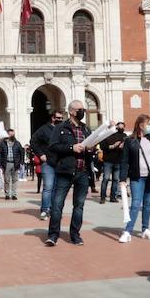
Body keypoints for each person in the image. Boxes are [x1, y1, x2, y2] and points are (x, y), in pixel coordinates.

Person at [46, 99, 94, 246]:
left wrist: (90, 149)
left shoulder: (86, 129)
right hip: (65, 171)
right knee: (57, 204)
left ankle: (75, 235)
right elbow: (52, 146)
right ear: (72, 111)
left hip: (82, 171)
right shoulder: (61, 128)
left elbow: (90, 148)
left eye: (83, 109)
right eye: (80, 109)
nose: (83, 111)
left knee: (79, 206)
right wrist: (71, 148)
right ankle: (53, 235)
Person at [119, 114, 150, 243]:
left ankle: (145, 229)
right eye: (148, 123)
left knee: (148, 204)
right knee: (135, 204)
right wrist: (122, 179)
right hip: (137, 177)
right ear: (140, 125)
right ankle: (128, 231)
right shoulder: (130, 140)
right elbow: (124, 161)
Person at [32, 111, 63, 220]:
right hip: (47, 163)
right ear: (52, 118)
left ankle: (54, 210)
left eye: (62, 118)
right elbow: (33, 141)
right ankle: (45, 210)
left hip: (60, 163)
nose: (60, 119)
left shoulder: (62, 129)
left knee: (57, 188)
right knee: (48, 187)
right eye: (58, 118)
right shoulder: (43, 129)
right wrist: (40, 154)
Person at [98, 125, 127, 203]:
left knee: (116, 180)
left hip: (118, 161)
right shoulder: (105, 135)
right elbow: (102, 146)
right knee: (106, 178)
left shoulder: (123, 135)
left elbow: (125, 146)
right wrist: (113, 146)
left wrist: (122, 146)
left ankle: (113, 197)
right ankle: (102, 197)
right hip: (108, 161)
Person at [0, 127, 24, 201]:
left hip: (15, 163)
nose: (11, 135)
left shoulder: (17, 143)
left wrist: (21, 162)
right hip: (6, 163)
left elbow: (21, 153)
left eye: (13, 134)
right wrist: (0, 164)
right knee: (7, 180)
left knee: (15, 180)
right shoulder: (2, 143)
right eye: (10, 134)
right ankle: (7, 194)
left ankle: (14, 194)